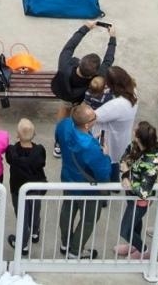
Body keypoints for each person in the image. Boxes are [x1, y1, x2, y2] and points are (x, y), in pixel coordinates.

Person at [56, 103, 114, 258]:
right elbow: (103, 172)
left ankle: (65, 242)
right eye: (94, 116)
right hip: (88, 187)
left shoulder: (65, 125)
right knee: (89, 218)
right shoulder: (91, 147)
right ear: (88, 124)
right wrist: (105, 155)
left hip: (68, 178)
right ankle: (75, 251)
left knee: (68, 208)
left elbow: (58, 138)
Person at [114, 121, 158, 258]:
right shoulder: (135, 145)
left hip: (140, 201)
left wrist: (129, 180)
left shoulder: (151, 161)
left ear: (140, 138)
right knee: (136, 223)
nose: (133, 130)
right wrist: (125, 174)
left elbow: (144, 189)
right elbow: (125, 157)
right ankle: (134, 246)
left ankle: (144, 250)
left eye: (136, 130)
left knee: (125, 230)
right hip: (131, 196)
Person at [51, 22, 116, 110]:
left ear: (80, 62)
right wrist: (112, 37)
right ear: (93, 74)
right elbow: (109, 59)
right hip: (79, 99)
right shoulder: (99, 75)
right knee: (75, 111)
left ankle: (64, 118)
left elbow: (70, 46)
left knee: (65, 106)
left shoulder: (65, 65)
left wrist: (85, 28)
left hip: (61, 91)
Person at [5, 118, 47, 254]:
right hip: (36, 188)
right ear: (34, 134)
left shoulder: (12, 152)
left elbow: (9, 159)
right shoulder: (40, 151)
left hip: (18, 189)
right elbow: (42, 163)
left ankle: (22, 244)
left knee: (22, 215)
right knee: (35, 211)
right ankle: (35, 232)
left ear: (17, 135)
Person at [90, 65, 138, 162]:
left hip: (110, 140)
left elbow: (93, 117)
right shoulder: (132, 90)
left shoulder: (116, 105)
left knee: (108, 162)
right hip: (123, 135)